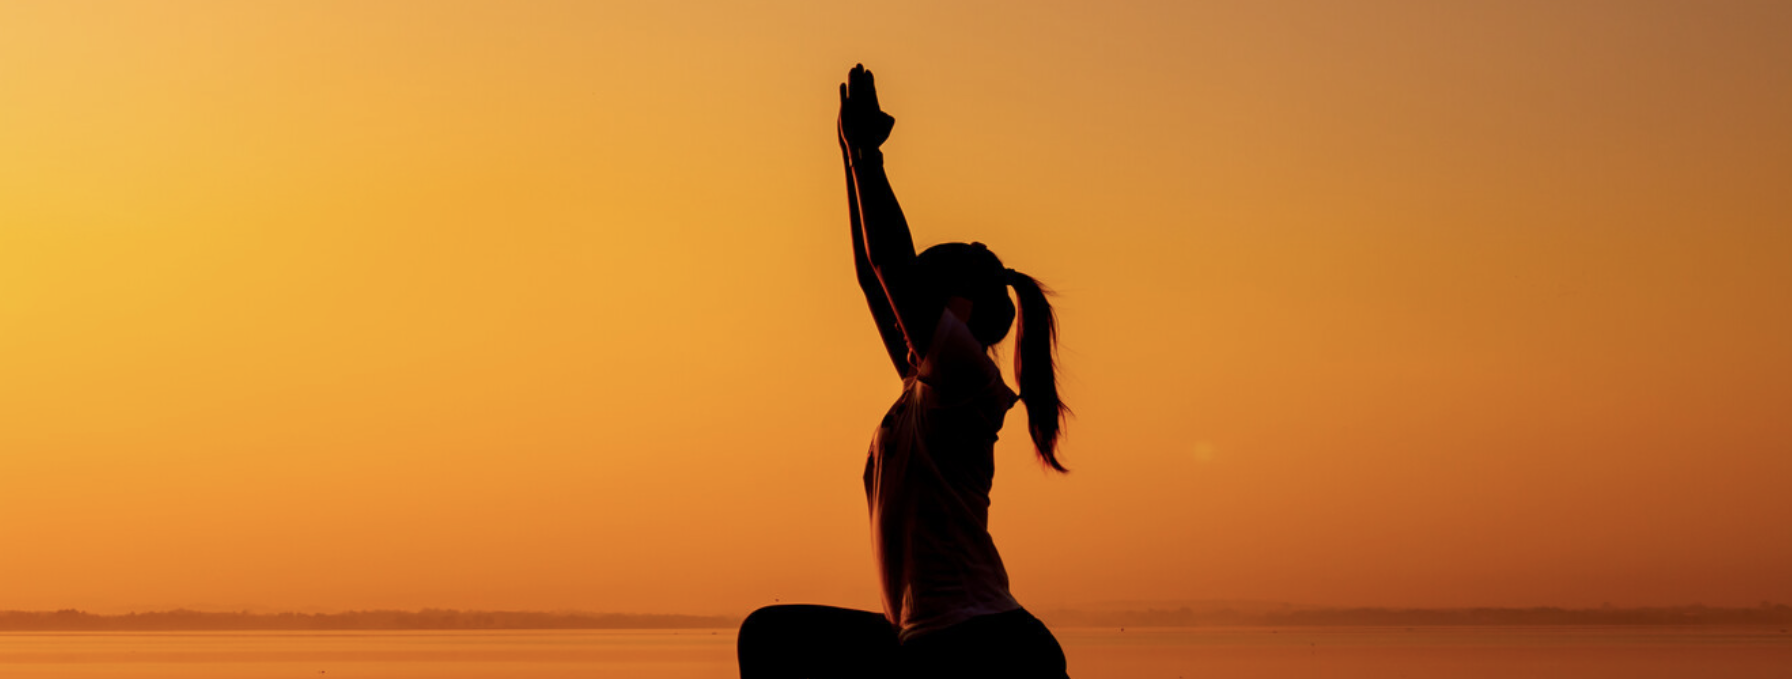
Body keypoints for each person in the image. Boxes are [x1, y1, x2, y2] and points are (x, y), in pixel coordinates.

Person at [737, 64, 1073, 679]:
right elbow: (873, 274)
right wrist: (848, 153)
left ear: (959, 299)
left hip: (980, 640)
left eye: (921, 288)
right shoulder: (926, 383)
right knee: (769, 635)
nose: (904, 302)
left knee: (772, 640)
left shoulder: (965, 375)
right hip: (924, 636)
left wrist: (869, 156)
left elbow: (888, 263)